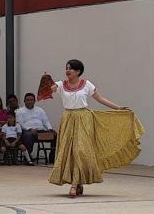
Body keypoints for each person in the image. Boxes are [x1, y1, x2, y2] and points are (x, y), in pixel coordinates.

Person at [47, 58, 140, 198]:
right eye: (66, 68)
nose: (67, 70)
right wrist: (46, 81)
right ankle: (77, 182)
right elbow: (49, 90)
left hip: (84, 119)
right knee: (69, 152)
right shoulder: (61, 84)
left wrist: (118, 108)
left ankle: (74, 185)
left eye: (71, 68)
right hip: (68, 119)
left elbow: (100, 98)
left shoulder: (87, 84)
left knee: (80, 150)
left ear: (78, 71)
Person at [15, 92, 54, 164]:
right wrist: (30, 129)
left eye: (31, 100)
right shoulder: (20, 111)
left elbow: (45, 121)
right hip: (27, 131)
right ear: (24, 101)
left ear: (34, 101)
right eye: (28, 100)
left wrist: (49, 128)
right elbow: (20, 123)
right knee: (29, 135)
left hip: (40, 131)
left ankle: (52, 158)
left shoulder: (40, 110)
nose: (30, 101)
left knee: (55, 134)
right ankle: (27, 158)